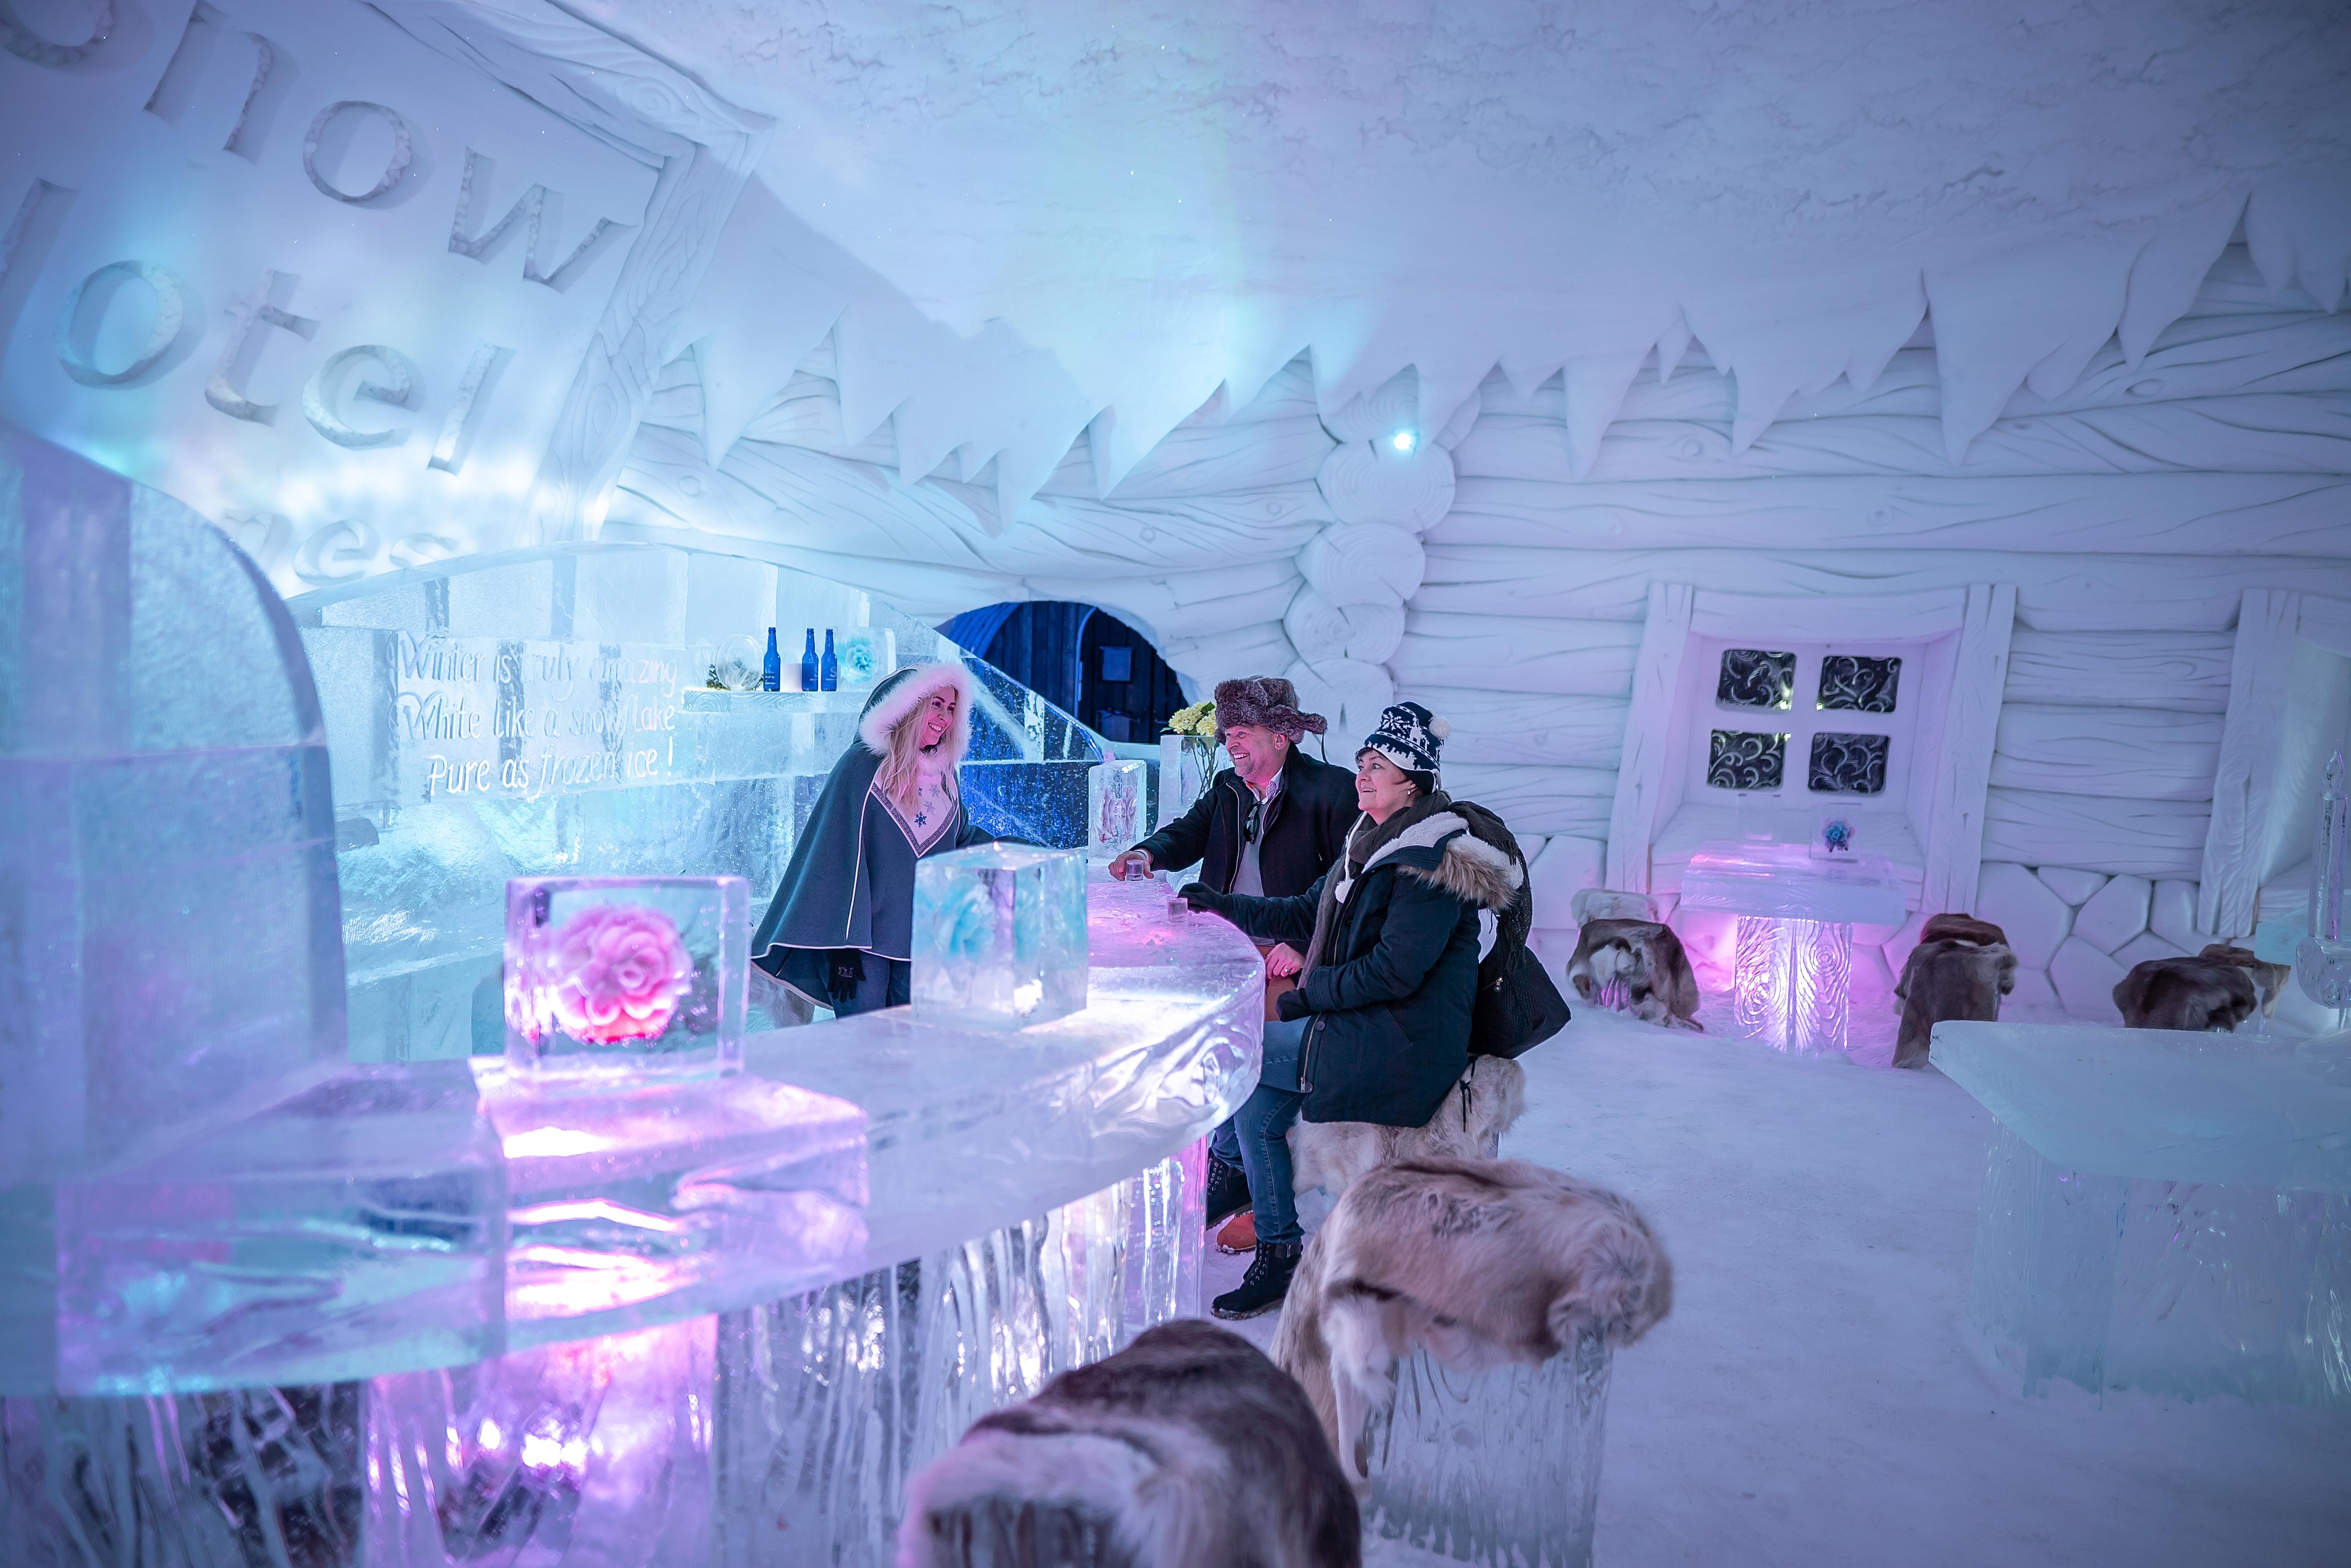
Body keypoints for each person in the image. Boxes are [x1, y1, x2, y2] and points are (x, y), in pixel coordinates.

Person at [1175, 701, 1524, 1319]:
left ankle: (1241, 1189)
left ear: (1413, 783)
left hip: (1403, 1043)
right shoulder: (1368, 843)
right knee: (1254, 1098)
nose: (1362, 775)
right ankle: (1276, 1243)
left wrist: (1307, 996)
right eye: (1362, 762)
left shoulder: (1431, 862)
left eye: (1379, 766)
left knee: (1244, 1053)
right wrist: (1221, 903)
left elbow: (1394, 972)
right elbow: (1301, 911)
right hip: (1363, 1023)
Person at [1109, 676, 1356, 1236]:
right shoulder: (1228, 788)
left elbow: (1346, 886)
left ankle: (1245, 1176)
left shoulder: (1333, 790)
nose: (1230, 744)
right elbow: (1187, 834)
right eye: (1227, 735)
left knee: (1250, 1060)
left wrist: (1308, 946)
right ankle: (1231, 1165)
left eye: (1241, 733)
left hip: (1287, 954)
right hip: (1226, 947)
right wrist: (1147, 852)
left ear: (1282, 736)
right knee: (1210, 1048)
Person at [752, 662, 990, 1015]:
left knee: (910, 1044)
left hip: (920, 941)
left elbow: (960, 838)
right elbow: (834, 857)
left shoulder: (944, 775)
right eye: (935, 704)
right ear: (909, 704)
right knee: (863, 1046)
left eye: (952, 708)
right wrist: (845, 947)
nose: (944, 717)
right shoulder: (862, 766)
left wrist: (1019, 852)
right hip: (860, 945)